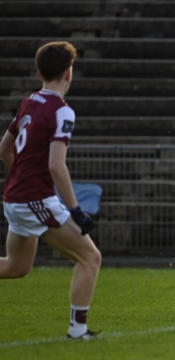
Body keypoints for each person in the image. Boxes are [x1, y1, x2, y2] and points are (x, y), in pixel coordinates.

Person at [0, 41, 102, 339]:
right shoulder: (62, 111)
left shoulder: (29, 102)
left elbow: (4, 149)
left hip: (15, 198)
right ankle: (78, 330)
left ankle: (78, 329)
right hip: (33, 199)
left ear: (38, 71)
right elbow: (56, 166)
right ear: (69, 73)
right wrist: (75, 211)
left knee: (16, 267)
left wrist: (21, 178)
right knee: (90, 258)